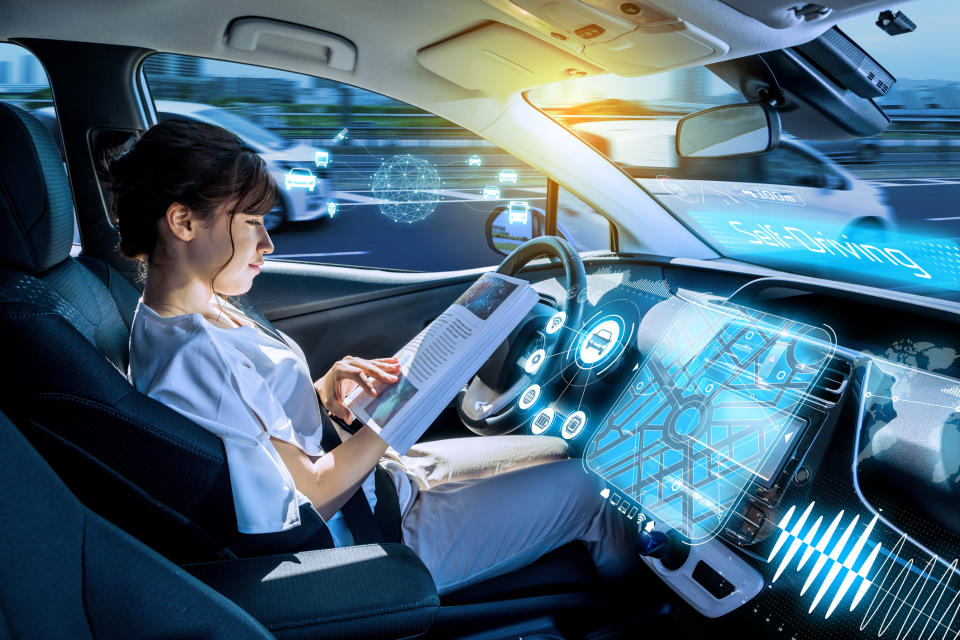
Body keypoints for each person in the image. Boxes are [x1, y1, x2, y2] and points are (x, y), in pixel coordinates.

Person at [110, 118, 638, 595]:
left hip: (381, 482)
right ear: (182, 222)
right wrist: (405, 410)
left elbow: (251, 426)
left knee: (562, 453)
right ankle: (633, 615)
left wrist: (323, 387)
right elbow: (311, 496)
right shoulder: (199, 355)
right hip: (368, 532)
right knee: (593, 489)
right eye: (251, 222)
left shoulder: (186, 313)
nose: (268, 243)